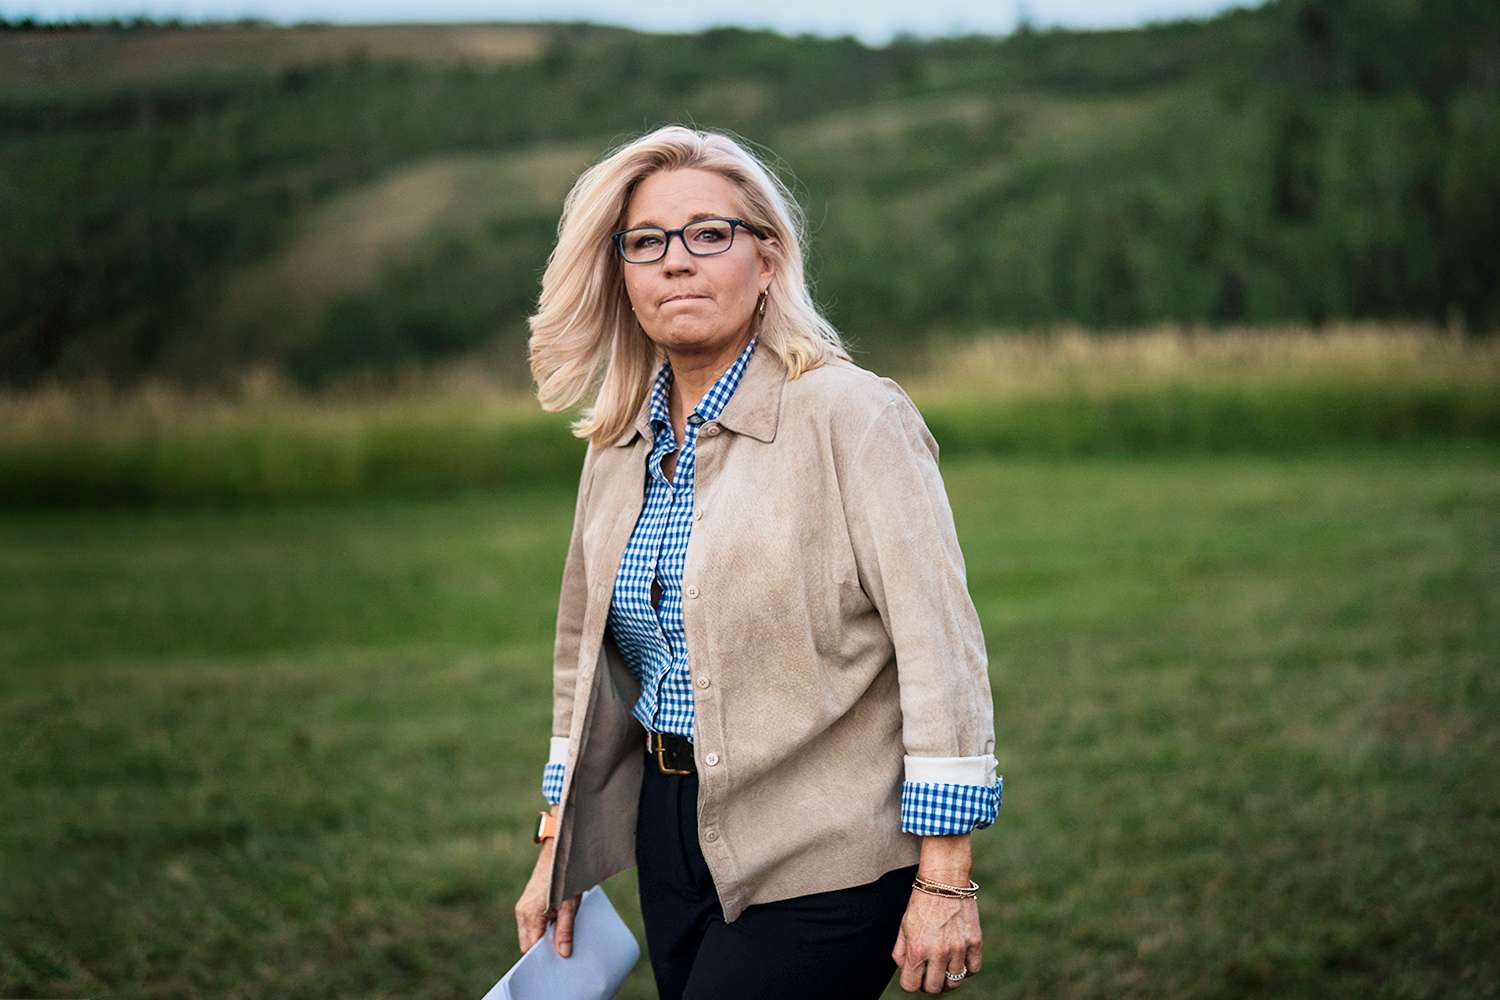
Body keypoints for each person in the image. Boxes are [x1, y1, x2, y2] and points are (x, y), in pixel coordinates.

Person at [513, 124, 1002, 998]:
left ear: (767, 259)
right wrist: (561, 842)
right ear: (621, 274)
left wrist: (945, 877)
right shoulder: (617, 444)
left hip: (832, 847)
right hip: (669, 838)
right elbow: (582, 663)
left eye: (709, 233)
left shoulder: (854, 416)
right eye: (646, 242)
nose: (676, 261)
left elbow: (942, 651)